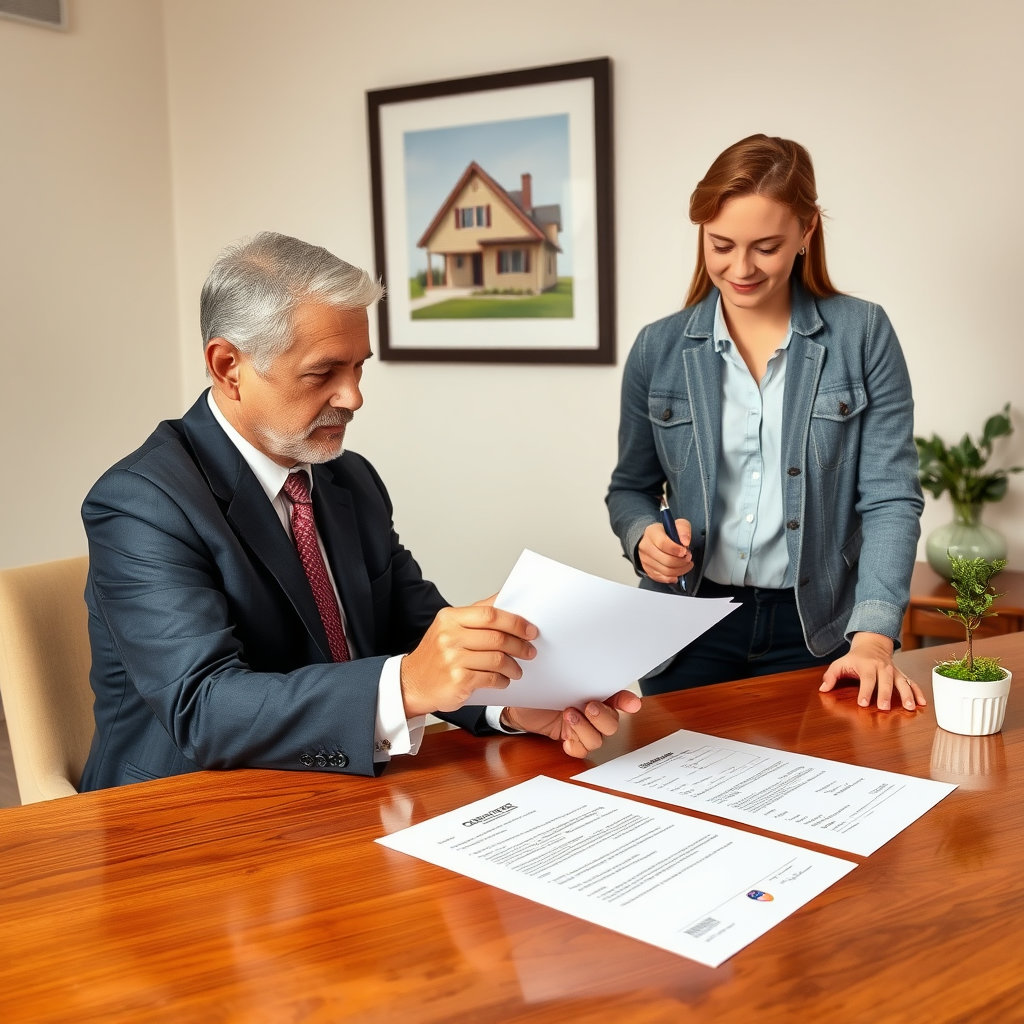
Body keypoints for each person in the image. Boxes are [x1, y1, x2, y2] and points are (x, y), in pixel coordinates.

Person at [79, 231, 640, 792]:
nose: (354, 397)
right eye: (324, 373)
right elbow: (202, 706)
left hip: (337, 783)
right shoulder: (141, 502)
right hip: (183, 812)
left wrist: (512, 702)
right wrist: (406, 687)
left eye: (359, 368)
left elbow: (411, 626)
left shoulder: (349, 478)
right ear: (228, 366)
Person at [606, 134, 926, 712]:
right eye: (721, 244)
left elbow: (891, 499)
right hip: (685, 631)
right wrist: (643, 538)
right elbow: (630, 488)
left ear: (806, 232)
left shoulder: (863, 334)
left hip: (822, 632)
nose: (740, 268)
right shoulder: (658, 348)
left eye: (766, 246)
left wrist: (874, 638)